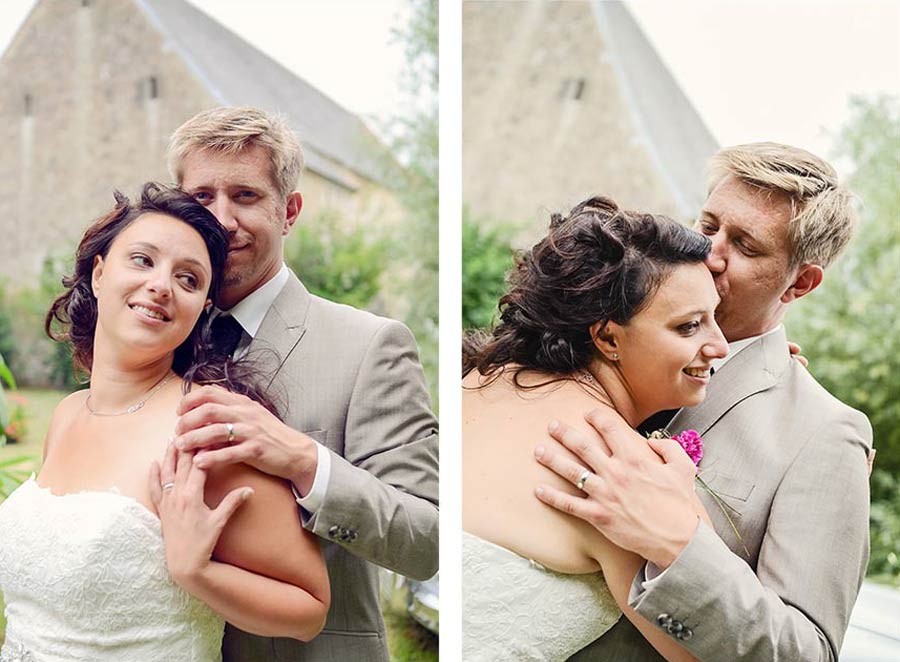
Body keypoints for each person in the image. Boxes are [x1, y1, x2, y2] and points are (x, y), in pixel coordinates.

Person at [536, 143, 873, 661]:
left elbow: (807, 652)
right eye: (708, 224)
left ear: (800, 282)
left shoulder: (824, 434)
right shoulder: (601, 330)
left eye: (745, 246)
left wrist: (677, 547)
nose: (709, 253)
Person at [0, 183, 330, 661]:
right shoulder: (68, 413)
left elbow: (308, 609)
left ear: (199, 312)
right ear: (98, 274)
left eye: (189, 279)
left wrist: (197, 570)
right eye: (142, 259)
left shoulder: (204, 426)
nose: (160, 284)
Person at [164, 106, 439, 662]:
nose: (221, 219)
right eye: (201, 199)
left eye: (245, 196)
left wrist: (303, 460)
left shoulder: (370, 345)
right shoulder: (162, 338)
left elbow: (426, 541)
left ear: (288, 211)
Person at [462, 196, 729, 661]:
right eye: (690, 326)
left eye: (715, 319)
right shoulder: (615, 468)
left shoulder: (480, 380)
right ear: (607, 337)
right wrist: (683, 508)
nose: (721, 346)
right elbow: (712, 652)